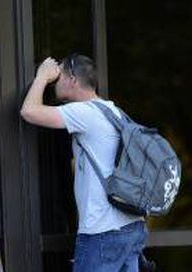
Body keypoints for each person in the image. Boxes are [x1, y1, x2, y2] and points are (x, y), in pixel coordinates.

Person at [20, 54, 148, 272]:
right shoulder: (115, 112)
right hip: (132, 226)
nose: (53, 83)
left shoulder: (85, 112)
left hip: (103, 232)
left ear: (72, 80)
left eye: (57, 77)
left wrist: (41, 76)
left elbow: (28, 111)